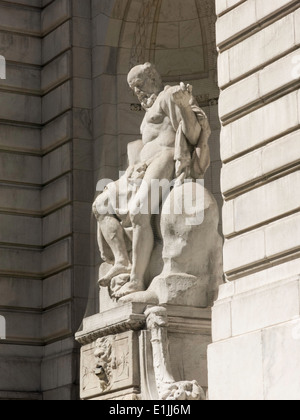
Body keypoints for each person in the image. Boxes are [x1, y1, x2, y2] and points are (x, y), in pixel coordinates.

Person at [93, 63, 211, 299]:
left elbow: (193, 134)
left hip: (165, 158)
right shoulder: (148, 111)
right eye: (133, 89)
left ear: (152, 78)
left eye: (139, 84)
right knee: (101, 205)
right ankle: (123, 261)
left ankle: (137, 280)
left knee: (138, 212)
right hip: (141, 169)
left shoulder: (168, 95)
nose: (137, 92)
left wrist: (185, 106)